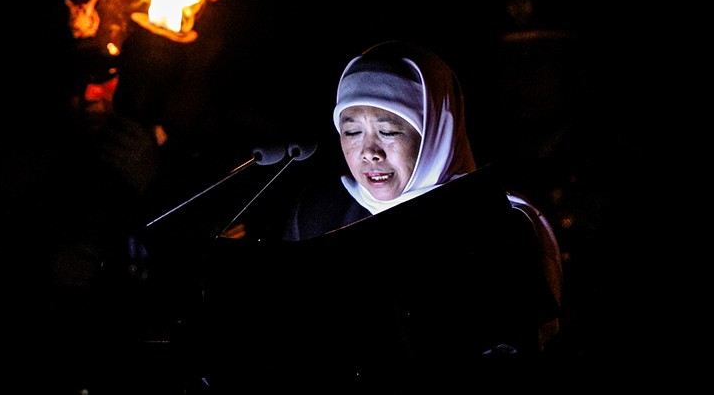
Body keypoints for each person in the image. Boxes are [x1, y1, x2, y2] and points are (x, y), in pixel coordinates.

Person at [198, 40, 563, 393]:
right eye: (352, 131)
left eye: (388, 131)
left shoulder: (495, 220)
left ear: (435, 126)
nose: (369, 151)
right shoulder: (319, 215)